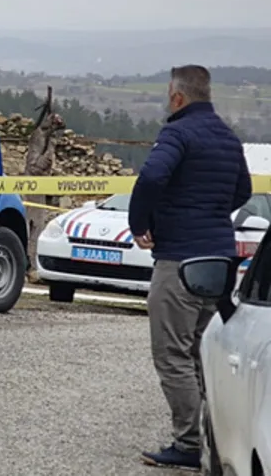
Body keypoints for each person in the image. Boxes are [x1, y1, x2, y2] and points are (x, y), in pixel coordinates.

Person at [129, 65, 251, 470]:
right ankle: (213, 440)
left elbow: (150, 177)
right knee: (202, 352)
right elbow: (244, 190)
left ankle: (186, 443)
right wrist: (209, 213)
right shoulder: (228, 138)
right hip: (218, 259)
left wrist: (140, 223)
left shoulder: (177, 133)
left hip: (179, 258)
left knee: (172, 354)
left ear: (178, 97)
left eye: (168, 94)